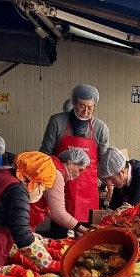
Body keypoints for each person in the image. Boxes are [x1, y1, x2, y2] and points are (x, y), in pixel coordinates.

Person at [0, 151, 58, 272]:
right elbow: (22, 234)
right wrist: (48, 264)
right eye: (43, 188)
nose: (42, 192)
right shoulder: (17, 191)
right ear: (36, 182)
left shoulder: (2, 173)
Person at [40, 84, 110, 225]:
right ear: (73, 103)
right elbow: (45, 154)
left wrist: (108, 184)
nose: (86, 111)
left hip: (88, 187)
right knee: (60, 225)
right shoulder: (57, 122)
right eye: (81, 106)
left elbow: (104, 160)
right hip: (60, 184)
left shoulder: (100, 128)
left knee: (87, 232)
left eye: (90, 108)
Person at [29, 147, 92, 238]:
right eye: (80, 170)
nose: (78, 175)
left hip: (21, 214)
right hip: (23, 217)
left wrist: (75, 227)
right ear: (70, 163)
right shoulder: (56, 173)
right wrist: (84, 230)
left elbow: (51, 209)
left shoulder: (52, 165)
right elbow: (58, 212)